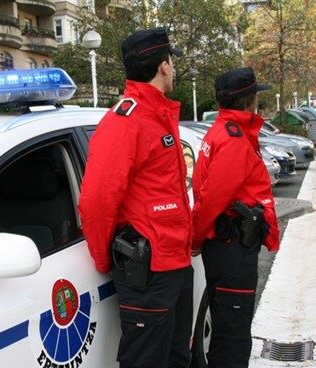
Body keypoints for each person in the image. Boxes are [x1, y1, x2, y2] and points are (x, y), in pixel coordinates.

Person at [78, 28, 194, 368]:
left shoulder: (156, 115)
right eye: (171, 61)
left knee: (176, 357)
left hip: (173, 264)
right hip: (148, 272)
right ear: (163, 66)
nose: (173, 68)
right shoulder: (126, 121)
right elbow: (96, 202)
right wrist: (104, 261)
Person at [191, 67, 280, 368]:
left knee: (227, 328)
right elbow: (213, 198)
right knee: (234, 335)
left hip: (225, 246)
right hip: (232, 249)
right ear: (249, 100)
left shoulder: (222, 131)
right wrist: (196, 238)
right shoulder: (233, 140)